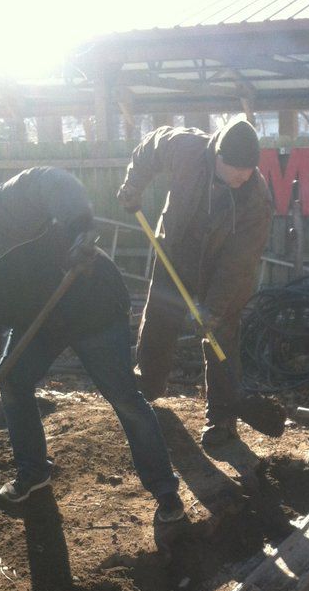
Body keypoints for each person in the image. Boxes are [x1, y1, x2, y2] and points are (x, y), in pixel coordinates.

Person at [0, 166, 185, 521]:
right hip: (38, 322)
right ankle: (34, 472)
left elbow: (50, 179)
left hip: (89, 299)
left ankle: (164, 488)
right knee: (13, 382)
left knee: (123, 396)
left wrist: (79, 228)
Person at [116, 116, 273, 448]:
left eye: (249, 171)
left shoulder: (256, 196)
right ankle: (148, 391)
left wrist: (212, 309)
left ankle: (223, 419)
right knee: (159, 319)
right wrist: (134, 184)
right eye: (236, 170)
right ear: (218, 155)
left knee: (222, 335)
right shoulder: (187, 148)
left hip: (221, 267)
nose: (243, 178)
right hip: (175, 249)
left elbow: (240, 263)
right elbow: (149, 148)